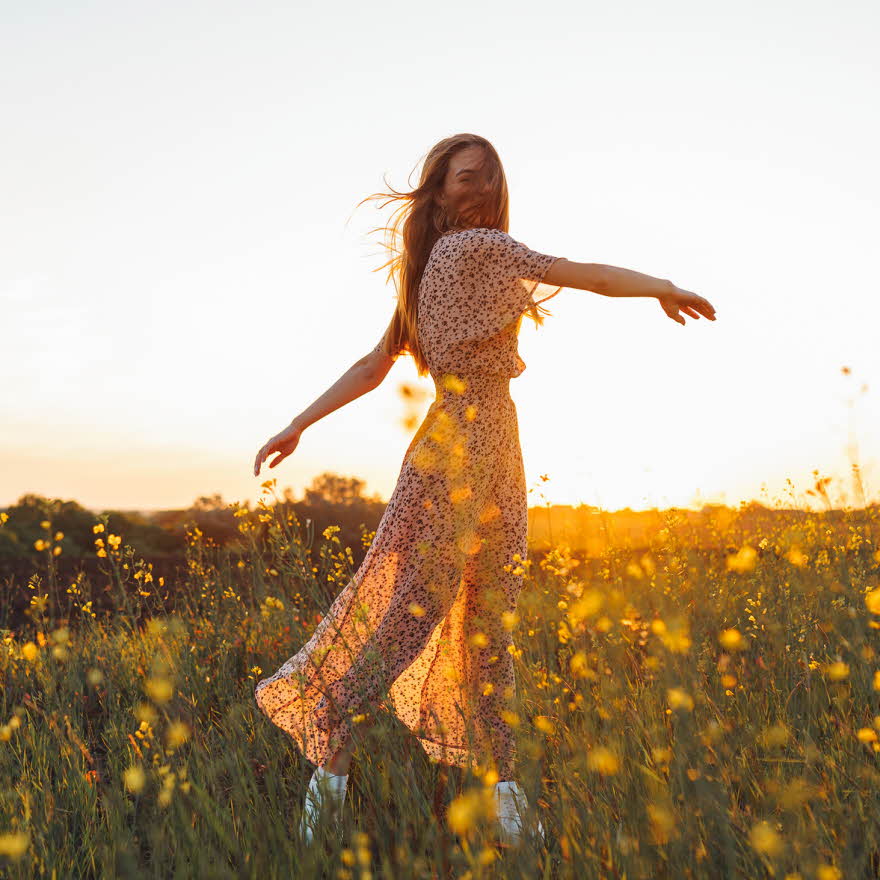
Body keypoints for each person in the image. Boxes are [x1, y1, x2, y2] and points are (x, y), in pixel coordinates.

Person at [252, 134, 717, 847]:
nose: (483, 190)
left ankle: (506, 805)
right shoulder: (478, 251)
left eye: (490, 179)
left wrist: (297, 423)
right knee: (424, 613)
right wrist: (663, 285)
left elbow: (375, 366)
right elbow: (584, 274)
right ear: (437, 194)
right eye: (466, 179)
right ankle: (331, 763)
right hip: (465, 442)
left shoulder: (443, 262)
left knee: (484, 621)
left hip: (481, 442)